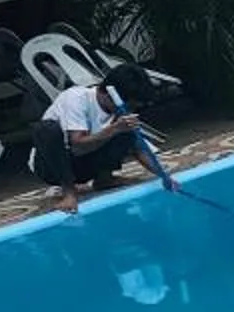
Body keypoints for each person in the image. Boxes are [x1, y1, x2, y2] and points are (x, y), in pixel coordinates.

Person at [31, 63, 174, 215]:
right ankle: (69, 192)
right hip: (53, 167)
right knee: (46, 129)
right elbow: (77, 145)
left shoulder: (119, 112)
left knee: (126, 131)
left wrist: (163, 175)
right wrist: (114, 128)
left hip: (86, 164)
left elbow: (138, 148)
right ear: (107, 93)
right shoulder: (76, 98)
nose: (128, 109)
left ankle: (104, 179)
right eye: (128, 105)